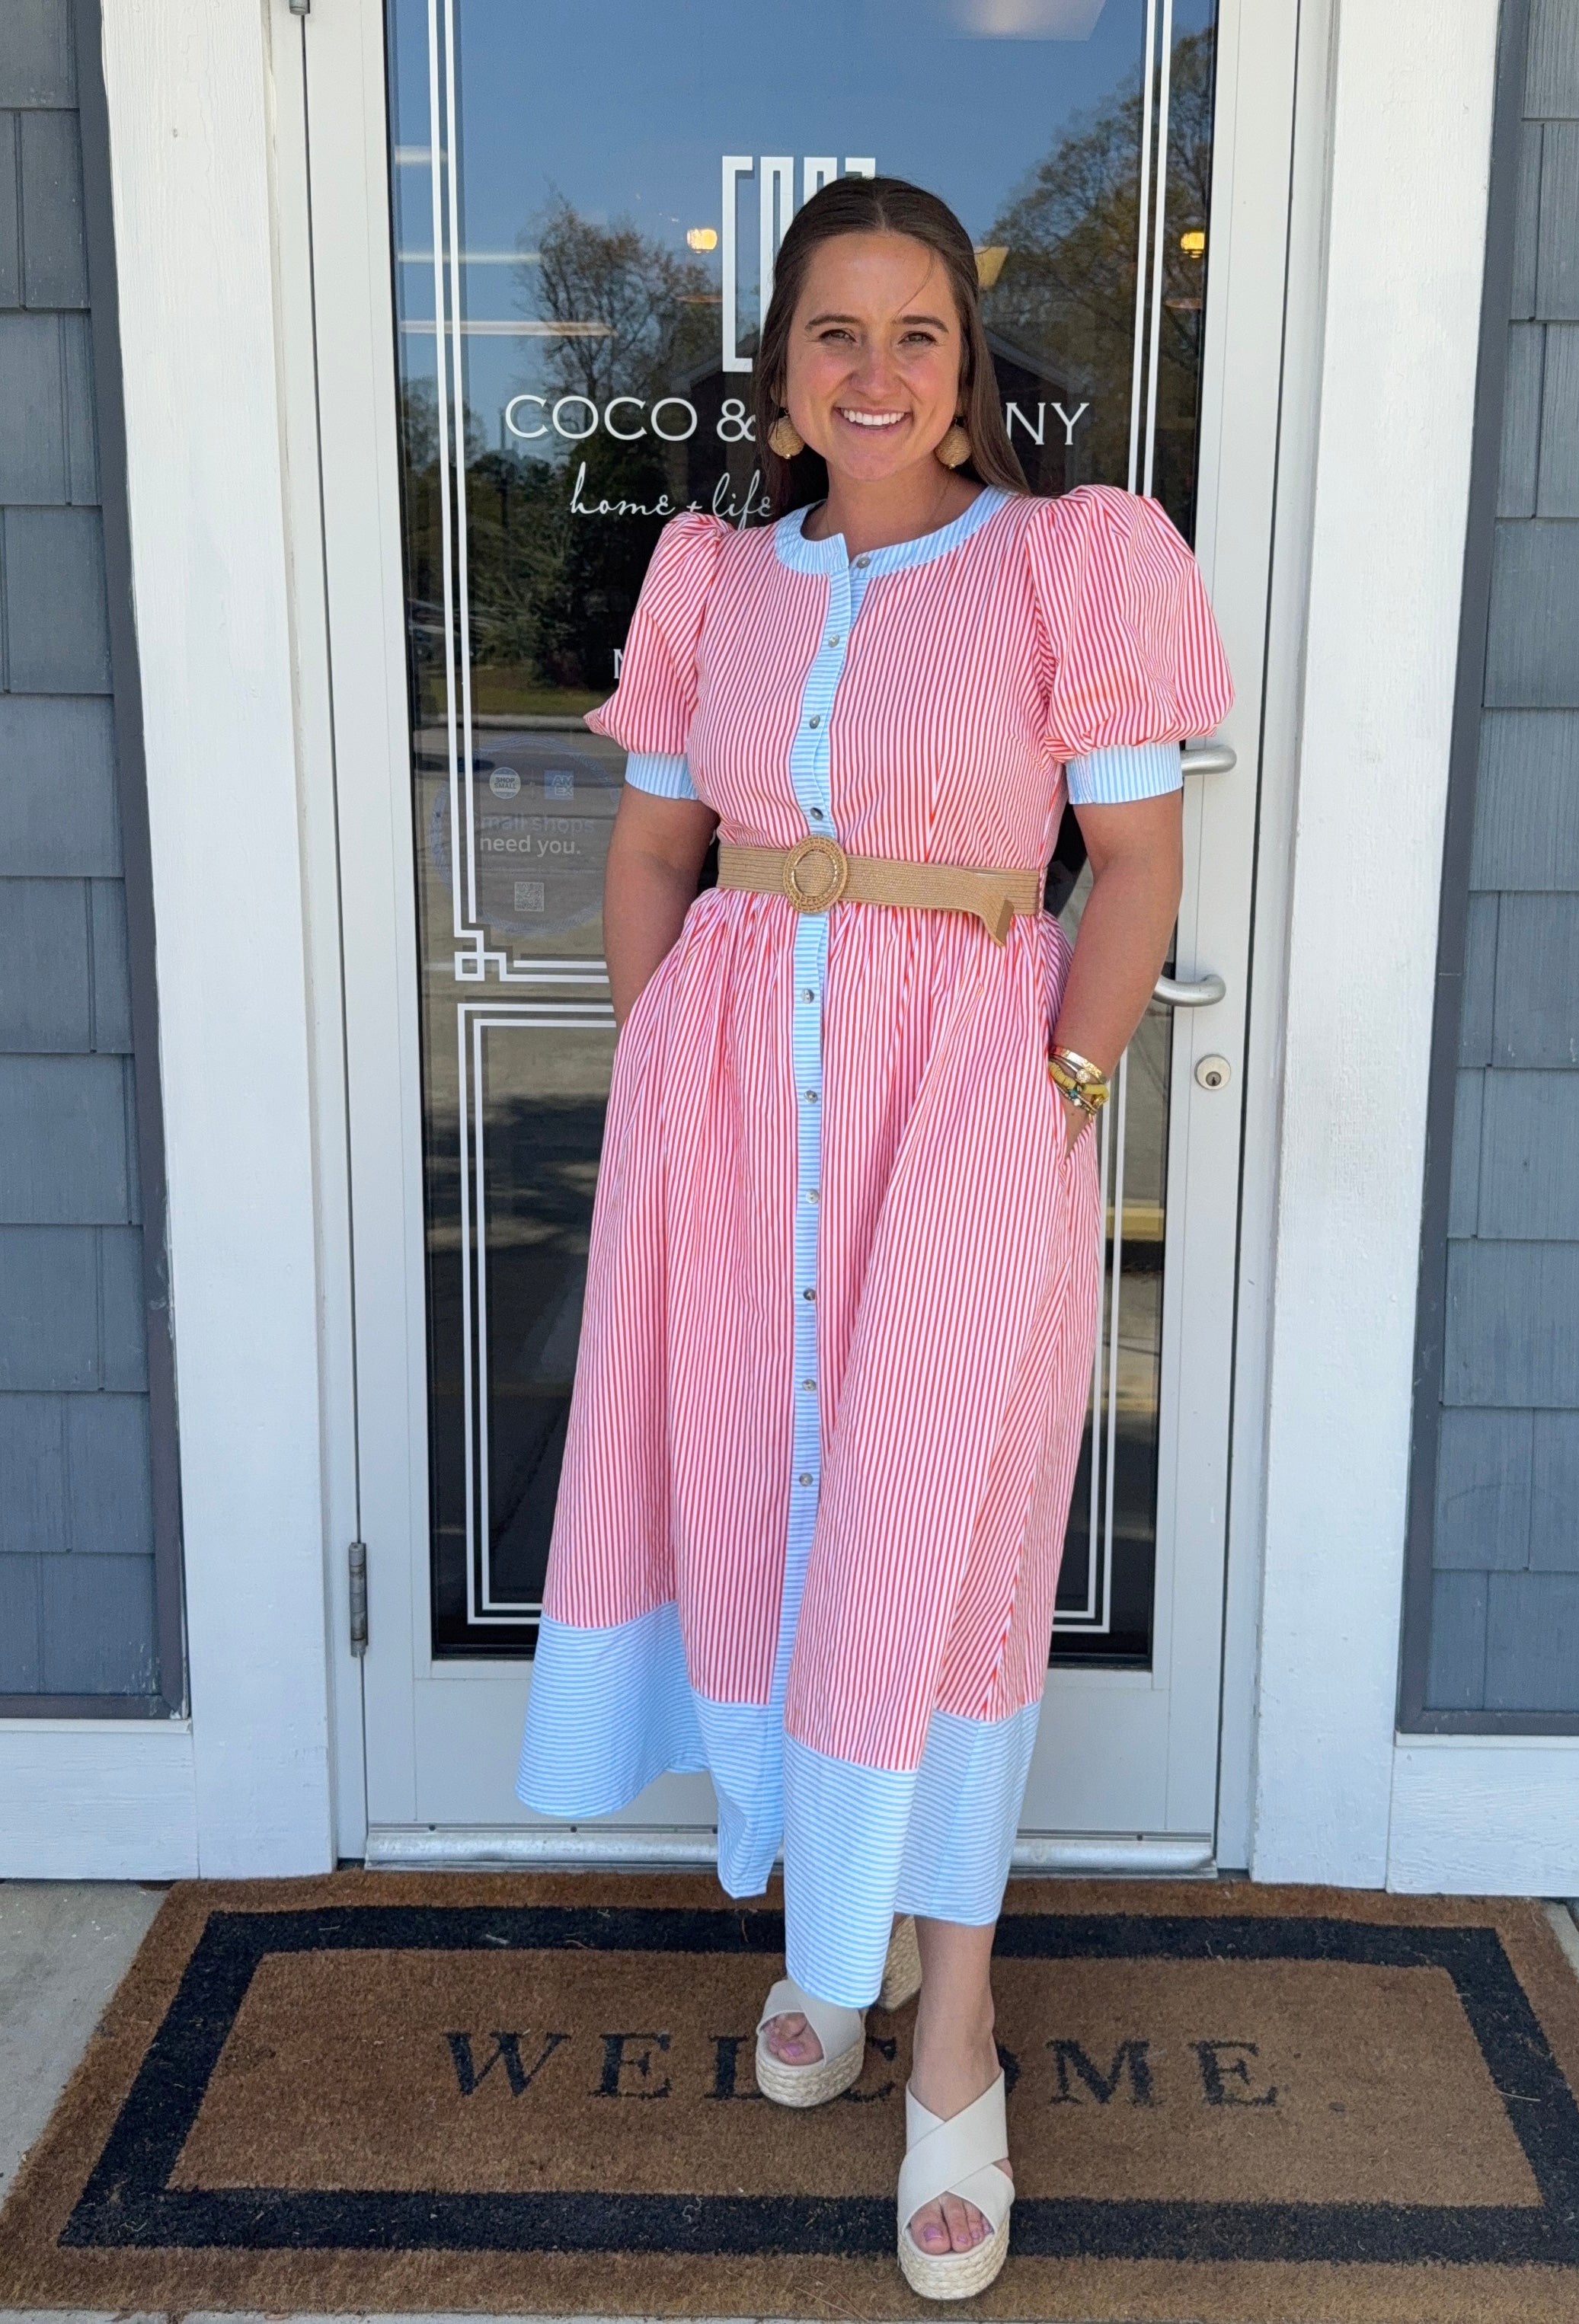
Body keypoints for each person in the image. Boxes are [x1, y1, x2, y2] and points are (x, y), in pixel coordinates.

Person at [518, 173, 1230, 2299]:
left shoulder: (1066, 560)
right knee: (762, 1504)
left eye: (917, 332)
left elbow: (1132, 866)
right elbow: (658, 845)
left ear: (968, 363)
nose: (878, 371)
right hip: (732, 1131)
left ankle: (949, 2021)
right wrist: (662, 1087)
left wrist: (1061, 1103)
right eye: (836, 332)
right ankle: (822, 1923)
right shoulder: (714, 576)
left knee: (944, 1546)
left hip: (964, 1116)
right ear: (782, 369)